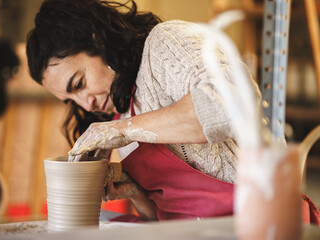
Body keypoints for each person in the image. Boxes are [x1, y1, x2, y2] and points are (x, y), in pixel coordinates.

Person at [26, 0, 320, 224]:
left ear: (96, 40)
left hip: (258, 223)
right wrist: (134, 191)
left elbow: (234, 104)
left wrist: (118, 132)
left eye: (79, 83)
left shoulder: (165, 44)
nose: (85, 104)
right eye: (71, 99)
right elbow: (159, 221)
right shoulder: (120, 115)